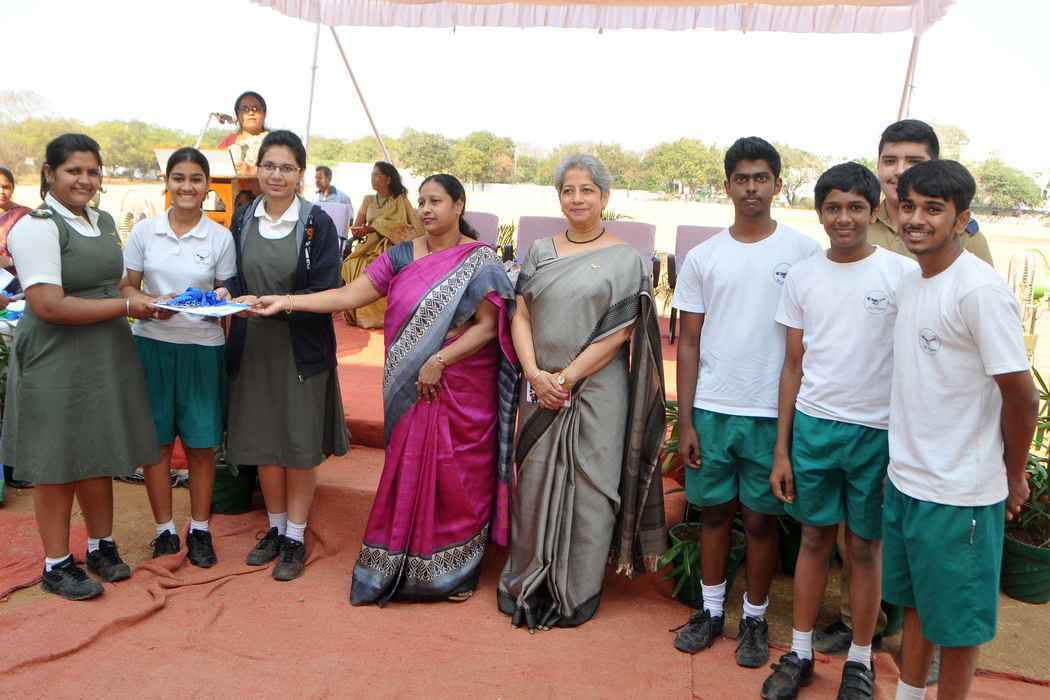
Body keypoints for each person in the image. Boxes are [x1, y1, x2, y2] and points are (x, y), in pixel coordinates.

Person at [255, 173, 517, 604]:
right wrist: (287, 301)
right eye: (422, 201)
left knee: (456, 476)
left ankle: (455, 570)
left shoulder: (480, 260)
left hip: (458, 388)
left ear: (459, 205)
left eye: (436, 201)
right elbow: (347, 296)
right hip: (410, 387)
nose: (426, 209)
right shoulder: (401, 256)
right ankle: (404, 558)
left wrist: (438, 361)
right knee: (411, 468)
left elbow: (489, 327)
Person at [759, 163, 918, 700]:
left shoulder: (900, 274)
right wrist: (782, 449)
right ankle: (800, 652)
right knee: (813, 539)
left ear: (873, 211)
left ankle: (861, 659)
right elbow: (792, 365)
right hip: (814, 429)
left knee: (865, 548)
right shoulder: (804, 276)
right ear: (819, 213)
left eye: (855, 207)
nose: (843, 218)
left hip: (877, 433)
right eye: (833, 207)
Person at [884, 160, 1036, 700]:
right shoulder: (912, 282)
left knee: (958, 625)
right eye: (909, 206)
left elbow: (1022, 397)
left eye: (933, 209)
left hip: (960, 494)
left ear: (962, 217)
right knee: (916, 605)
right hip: (906, 481)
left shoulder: (978, 292)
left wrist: (1012, 474)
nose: (916, 219)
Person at [496, 154, 666, 631]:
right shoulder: (539, 251)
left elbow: (620, 333)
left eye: (587, 190)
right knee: (533, 481)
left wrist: (566, 378)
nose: (577, 199)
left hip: (596, 391)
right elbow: (520, 314)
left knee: (594, 486)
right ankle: (528, 577)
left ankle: (578, 589)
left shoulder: (626, 259)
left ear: (604, 197)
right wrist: (534, 373)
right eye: (568, 190)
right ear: (559, 198)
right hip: (539, 385)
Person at [671, 137, 821, 667]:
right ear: (727, 185)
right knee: (713, 515)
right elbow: (689, 341)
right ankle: (711, 610)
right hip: (713, 408)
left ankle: (754, 617)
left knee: (760, 521)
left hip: (771, 412)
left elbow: (810, 339)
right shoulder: (704, 256)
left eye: (761, 178)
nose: (751, 187)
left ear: (777, 185)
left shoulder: (804, 253)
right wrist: (686, 420)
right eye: (742, 178)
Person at [1, 134, 159, 600]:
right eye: (73, 170)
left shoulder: (103, 220)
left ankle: (99, 545)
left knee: (97, 448)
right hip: (55, 354)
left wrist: (150, 300)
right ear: (49, 173)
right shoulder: (37, 227)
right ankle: (56, 563)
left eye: (92, 171)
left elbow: (115, 285)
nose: (85, 180)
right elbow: (48, 305)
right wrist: (126, 308)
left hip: (103, 351)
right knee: (56, 458)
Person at [220, 130, 348, 582]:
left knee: (298, 444)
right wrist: (227, 294)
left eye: (287, 168)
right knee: (264, 442)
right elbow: (233, 277)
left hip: (300, 347)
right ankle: (274, 528)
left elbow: (329, 289)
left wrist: (284, 302)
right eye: (269, 166)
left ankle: (295, 535)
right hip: (253, 344)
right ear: (258, 168)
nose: (276, 175)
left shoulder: (317, 224)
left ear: (300, 174)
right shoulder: (243, 217)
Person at [123, 147, 237, 568]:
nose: (187, 186)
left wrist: (221, 297)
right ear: (167, 183)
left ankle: (201, 529)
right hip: (151, 344)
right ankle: (164, 531)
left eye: (196, 179)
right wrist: (150, 303)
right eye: (179, 178)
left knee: (202, 444)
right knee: (156, 443)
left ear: (207, 186)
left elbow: (226, 291)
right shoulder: (145, 232)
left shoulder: (220, 237)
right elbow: (126, 288)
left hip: (203, 348)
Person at [341, 161, 424, 329]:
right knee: (352, 263)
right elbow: (357, 227)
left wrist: (377, 226)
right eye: (372, 175)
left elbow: (416, 227)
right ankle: (355, 313)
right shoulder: (368, 200)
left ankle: (378, 318)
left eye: (376, 175)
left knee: (373, 265)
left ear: (388, 179)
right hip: (367, 246)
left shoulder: (400, 200)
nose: (372, 178)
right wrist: (358, 231)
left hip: (392, 245)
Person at [0, 166, 24, 493]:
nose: (2, 191)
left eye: (6, 186)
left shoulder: (25, 218)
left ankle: (14, 465)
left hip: (19, 302)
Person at [217, 91, 269, 177]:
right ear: (237, 114)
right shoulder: (229, 141)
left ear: (264, 113)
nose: (251, 113)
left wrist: (253, 171)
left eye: (255, 109)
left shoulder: (273, 141)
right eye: (245, 109)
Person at [314, 165, 354, 254]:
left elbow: (350, 221)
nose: (317, 181)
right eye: (316, 178)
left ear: (329, 178)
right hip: (316, 242)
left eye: (320, 178)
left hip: (336, 243)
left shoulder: (342, 198)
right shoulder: (314, 198)